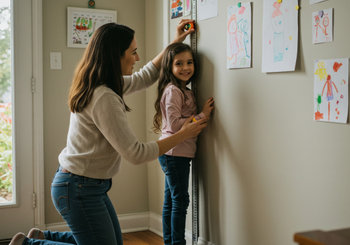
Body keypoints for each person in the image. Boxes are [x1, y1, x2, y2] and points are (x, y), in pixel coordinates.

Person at [9, 19, 206, 245]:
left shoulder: (103, 82)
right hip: (78, 187)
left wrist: (175, 43)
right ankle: (28, 244)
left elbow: (145, 76)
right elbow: (136, 153)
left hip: (86, 184)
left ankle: (43, 237)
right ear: (116, 55)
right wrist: (184, 133)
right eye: (133, 52)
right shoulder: (103, 96)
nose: (137, 58)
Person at [153, 42, 214, 245]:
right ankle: (177, 242)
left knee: (171, 201)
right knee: (180, 201)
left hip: (176, 154)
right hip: (174, 153)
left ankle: (170, 241)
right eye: (179, 63)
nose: (185, 67)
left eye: (189, 62)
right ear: (169, 67)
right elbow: (176, 124)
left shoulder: (183, 90)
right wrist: (203, 115)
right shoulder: (173, 91)